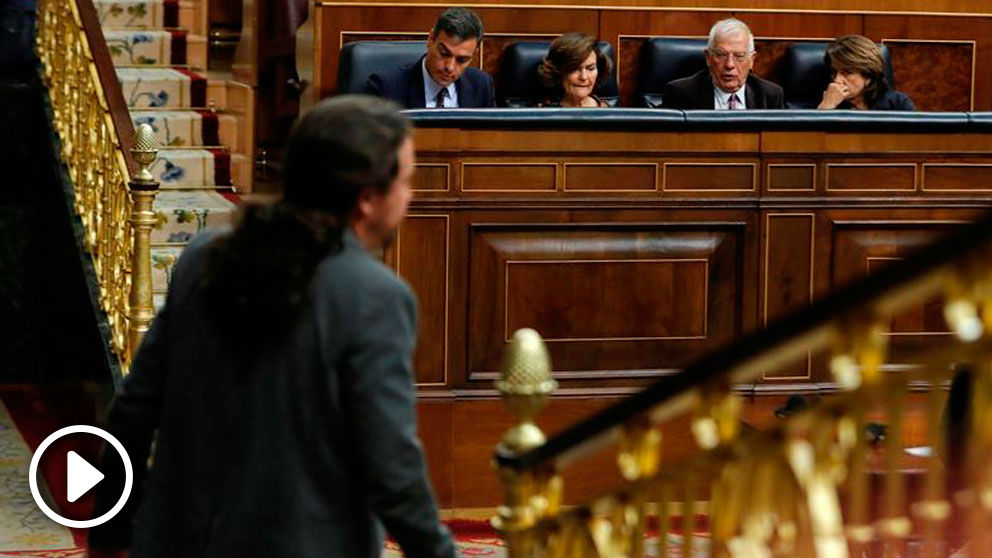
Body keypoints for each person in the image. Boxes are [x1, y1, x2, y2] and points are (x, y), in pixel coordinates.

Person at [87, 96, 457, 558]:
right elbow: (392, 466)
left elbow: (135, 409)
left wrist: (109, 533)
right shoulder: (374, 296)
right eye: (405, 182)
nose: (411, 196)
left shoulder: (205, 256)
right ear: (366, 199)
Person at [364, 7, 495, 108]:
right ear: (431, 39)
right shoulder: (386, 88)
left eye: (462, 60)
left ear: (474, 53)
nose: (450, 67)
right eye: (444, 53)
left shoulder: (481, 85)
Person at [661, 18, 785, 110]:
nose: (729, 65)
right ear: (708, 58)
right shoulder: (681, 94)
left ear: (752, 60)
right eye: (721, 55)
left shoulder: (770, 96)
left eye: (739, 56)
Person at [817, 35, 915, 111]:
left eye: (847, 73)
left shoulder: (897, 103)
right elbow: (812, 136)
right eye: (834, 72)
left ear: (868, 75)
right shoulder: (826, 100)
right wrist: (826, 107)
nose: (837, 80)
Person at [536, 32, 613, 108]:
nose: (583, 77)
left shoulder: (611, 113)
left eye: (590, 68)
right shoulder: (543, 114)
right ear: (558, 71)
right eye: (575, 69)